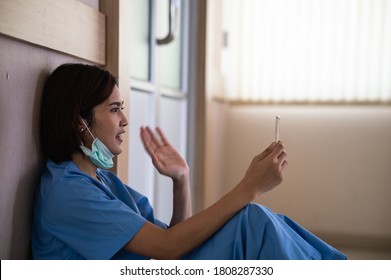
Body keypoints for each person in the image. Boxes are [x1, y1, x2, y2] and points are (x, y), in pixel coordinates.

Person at [32, 63, 346, 260]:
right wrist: (250, 186)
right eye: (114, 109)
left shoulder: (104, 182)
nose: (125, 120)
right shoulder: (67, 193)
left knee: (253, 222)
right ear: (79, 123)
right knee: (252, 225)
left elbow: (172, 247)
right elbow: (168, 248)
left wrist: (181, 180)